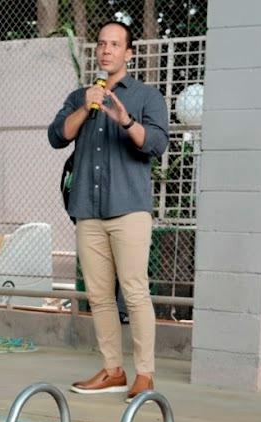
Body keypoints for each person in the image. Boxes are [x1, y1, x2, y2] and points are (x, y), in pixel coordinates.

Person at [48, 21, 168, 401]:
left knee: (134, 292)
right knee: (99, 295)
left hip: (129, 209)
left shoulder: (146, 96)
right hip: (88, 209)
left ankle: (144, 375)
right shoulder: (80, 96)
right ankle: (113, 370)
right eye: (102, 43)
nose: (106, 50)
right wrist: (87, 106)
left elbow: (157, 144)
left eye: (115, 44)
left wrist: (126, 122)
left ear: (128, 53)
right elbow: (57, 136)